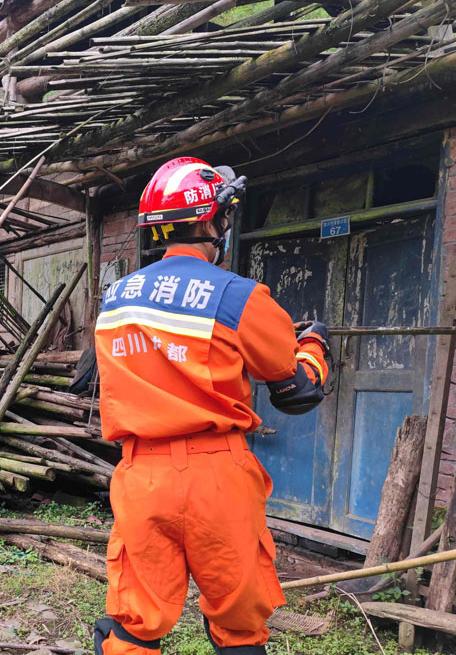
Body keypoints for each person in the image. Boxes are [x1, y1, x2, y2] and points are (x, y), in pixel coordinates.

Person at [92, 158, 331, 655]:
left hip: (142, 476)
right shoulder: (238, 297)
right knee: (239, 623)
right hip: (217, 476)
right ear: (210, 222)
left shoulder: (115, 299)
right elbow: (296, 392)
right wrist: (314, 347)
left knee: (134, 621)